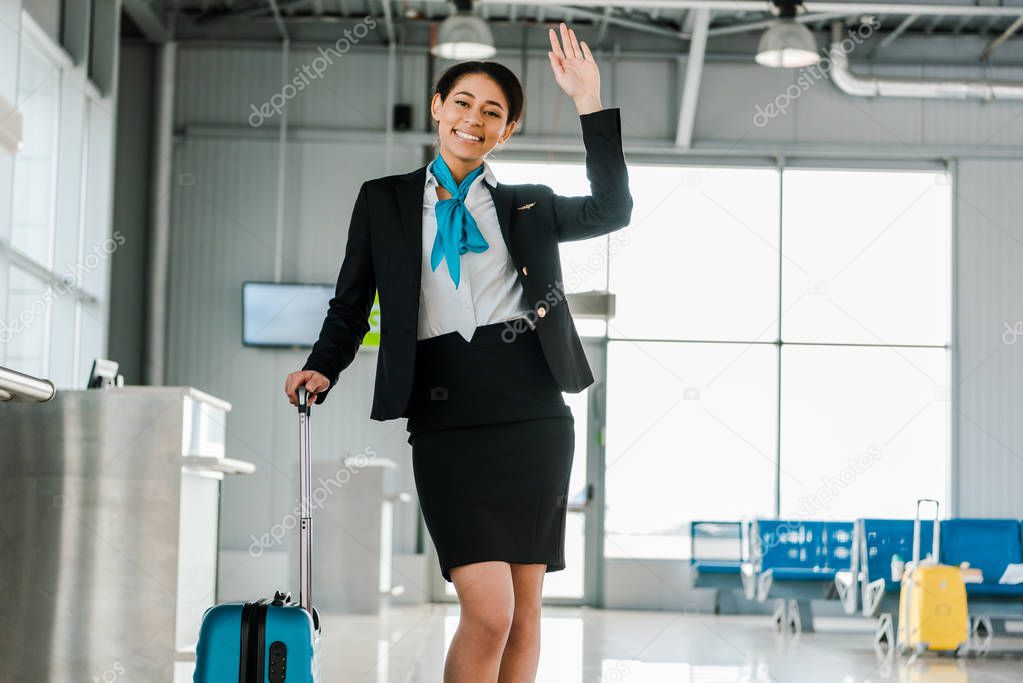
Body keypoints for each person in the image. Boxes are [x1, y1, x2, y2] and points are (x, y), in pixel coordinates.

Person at [284, 22, 632, 683]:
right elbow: (352, 302)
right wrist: (324, 364)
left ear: (505, 132)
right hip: (445, 418)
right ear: (439, 105)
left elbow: (614, 208)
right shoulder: (383, 200)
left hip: (533, 411)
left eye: (493, 113)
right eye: (464, 102)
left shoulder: (529, 204)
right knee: (490, 610)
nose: (474, 119)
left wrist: (589, 102)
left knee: (526, 613)